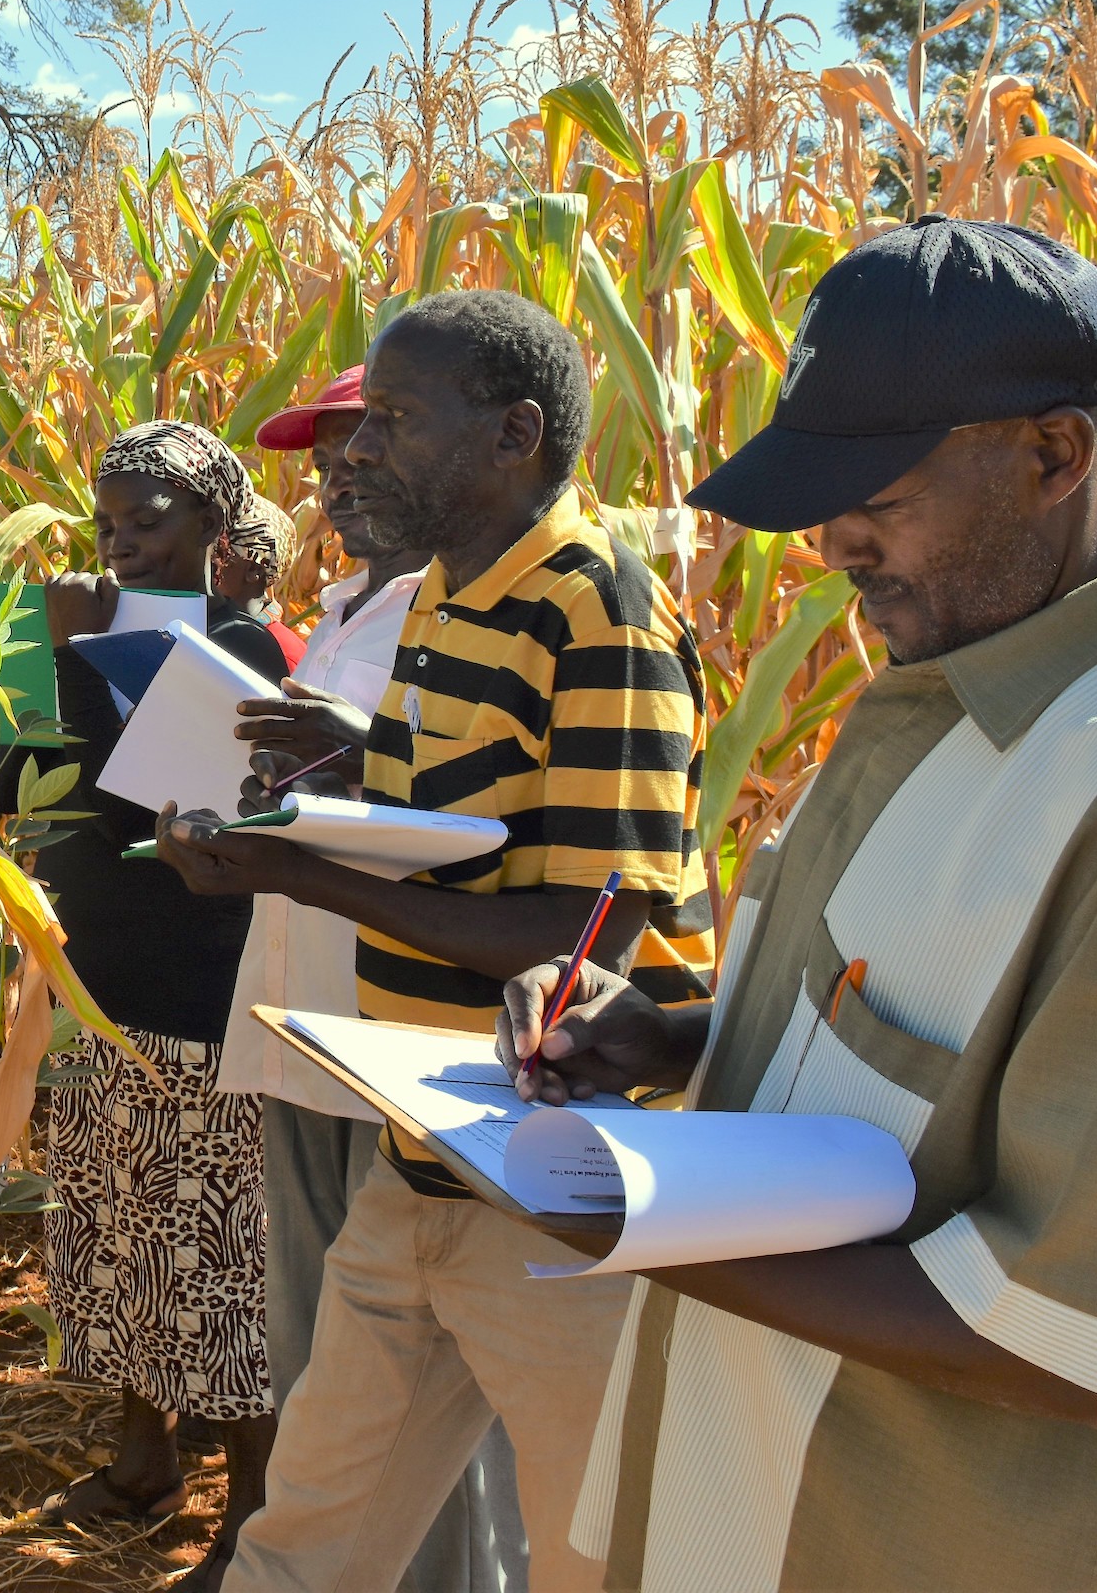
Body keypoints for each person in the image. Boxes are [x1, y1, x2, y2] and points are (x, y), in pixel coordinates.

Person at [499, 216, 1097, 1591]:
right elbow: (921, 1042)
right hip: (733, 1506)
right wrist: (676, 1035)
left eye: (875, 492)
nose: (837, 545)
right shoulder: (952, 684)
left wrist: (631, 1231)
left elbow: (1081, 1340)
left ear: (1054, 454)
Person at [153, 292, 707, 1593]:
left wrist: (296, 869)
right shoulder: (451, 599)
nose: (352, 455)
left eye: (393, 421)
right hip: (427, 1156)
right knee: (304, 1549)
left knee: (599, 1564)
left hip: (553, 1196)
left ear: (513, 434)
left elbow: (575, 938)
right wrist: (347, 760)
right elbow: (465, 816)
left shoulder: (599, 613)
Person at [221, 364, 525, 1593]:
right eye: (329, 458)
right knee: (323, 1347)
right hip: (299, 1005)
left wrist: (347, 759)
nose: (339, 479)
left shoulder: (482, 613)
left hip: (399, 1023)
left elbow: (497, 823)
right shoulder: (348, 604)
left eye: (373, 444)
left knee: (419, 1366)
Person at [28, 420, 292, 1580]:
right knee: (118, 1222)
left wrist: (80, 662)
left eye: (150, 520)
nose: (122, 542)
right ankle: (143, 1452)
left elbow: (150, 807)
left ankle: (256, 1501)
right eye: (110, 522)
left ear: (214, 529)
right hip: (100, 974)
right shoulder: (94, 627)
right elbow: (46, 795)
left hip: (199, 985)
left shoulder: (242, 644)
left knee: (214, 1245)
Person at [213, 490, 306, 667]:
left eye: (220, 551)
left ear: (253, 570)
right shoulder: (216, 632)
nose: (207, 560)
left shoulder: (283, 656)